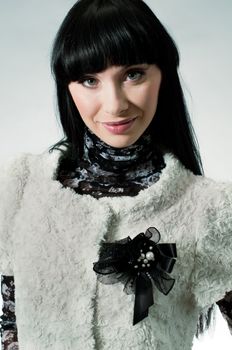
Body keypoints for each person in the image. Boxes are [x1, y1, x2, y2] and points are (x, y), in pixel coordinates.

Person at [0, 0, 232, 349]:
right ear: (68, 87)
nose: (114, 104)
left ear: (163, 74)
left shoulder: (211, 209)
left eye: (133, 74)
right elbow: (10, 323)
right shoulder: (22, 186)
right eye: (89, 79)